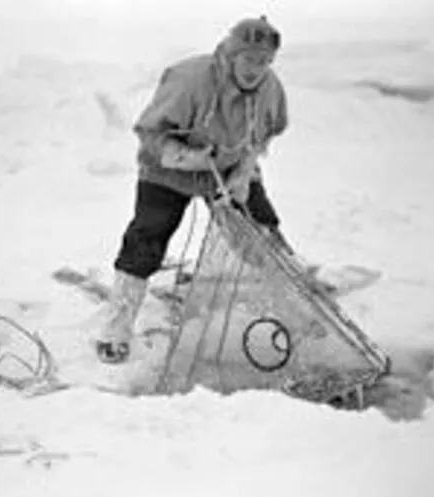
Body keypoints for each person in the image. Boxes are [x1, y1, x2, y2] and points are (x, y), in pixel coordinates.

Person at [96, 16, 292, 364]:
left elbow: (264, 134)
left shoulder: (270, 89)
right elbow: (149, 132)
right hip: (167, 170)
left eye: (264, 62)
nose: (255, 69)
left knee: (261, 230)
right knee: (147, 238)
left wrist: (244, 173)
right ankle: (116, 328)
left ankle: (297, 303)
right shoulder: (189, 80)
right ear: (231, 56)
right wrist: (182, 156)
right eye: (248, 59)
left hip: (227, 168)